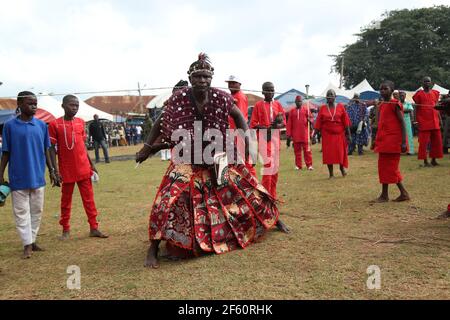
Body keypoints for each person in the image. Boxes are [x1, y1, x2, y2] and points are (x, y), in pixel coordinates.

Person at [136, 53, 289, 269]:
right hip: (187, 158)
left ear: (211, 78)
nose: (202, 80)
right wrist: (147, 147)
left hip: (218, 155)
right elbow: (161, 120)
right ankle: (152, 248)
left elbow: (239, 118)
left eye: (206, 76)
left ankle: (270, 219)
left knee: (248, 190)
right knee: (166, 199)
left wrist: (249, 143)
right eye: (197, 76)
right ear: (190, 79)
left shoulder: (221, 97)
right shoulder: (179, 98)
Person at [0, 91, 57, 259]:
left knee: (36, 210)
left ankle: (32, 240)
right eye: (30, 103)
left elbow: (47, 150)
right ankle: (26, 244)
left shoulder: (41, 126)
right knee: (21, 212)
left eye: (35, 103)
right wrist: (0, 173)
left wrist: (53, 171)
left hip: (38, 176)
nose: (34, 106)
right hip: (18, 178)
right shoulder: (10, 126)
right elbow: (6, 152)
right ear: (19, 105)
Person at [48, 95, 108, 240]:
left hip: (83, 167)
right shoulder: (54, 124)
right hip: (66, 169)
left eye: (76, 105)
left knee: (89, 199)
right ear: (63, 106)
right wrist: (54, 170)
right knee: (66, 201)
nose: (74, 108)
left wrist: (92, 165)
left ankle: (94, 227)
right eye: (71, 105)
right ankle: (65, 230)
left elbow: (82, 146)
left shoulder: (81, 123)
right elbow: (50, 149)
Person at [372, 81, 410, 202]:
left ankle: (390, 195)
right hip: (384, 141)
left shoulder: (395, 104)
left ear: (392, 90)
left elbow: (402, 123)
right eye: (381, 89)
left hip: (394, 141)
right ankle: (391, 194)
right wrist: (375, 140)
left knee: (391, 168)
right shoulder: (382, 105)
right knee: (384, 168)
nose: (382, 91)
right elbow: (379, 124)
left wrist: (404, 142)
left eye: (385, 89)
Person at [250, 82, 286, 198]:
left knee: (275, 167)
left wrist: (276, 125)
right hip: (264, 138)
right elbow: (253, 124)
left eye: (272, 90)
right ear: (263, 92)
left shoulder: (278, 105)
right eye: (268, 90)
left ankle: (273, 194)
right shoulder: (258, 105)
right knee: (268, 165)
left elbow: (283, 122)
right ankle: (266, 195)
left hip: (276, 138)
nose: (271, 92)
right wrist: (265, 127)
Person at [314, 89, 351, 179]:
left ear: (335, 96)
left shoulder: (341, 107)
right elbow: (318, 122)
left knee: (340, 153)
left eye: (332, 94)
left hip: (339, 134)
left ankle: (342, 169)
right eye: (328, 94)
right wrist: (314, 135)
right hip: (327, 135)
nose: (330, 96)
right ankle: (331, 174)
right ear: (326, 97)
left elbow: (346, 122)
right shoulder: (322, 108)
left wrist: (349, 134)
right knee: (328, 154)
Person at [226, 75, 256, 176]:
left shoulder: (239, 97)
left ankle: (253, 183)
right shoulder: (233, 97)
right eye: (229, 83)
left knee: (245, 161)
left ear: (239, 84)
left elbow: (241, 119)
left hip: (239, 134)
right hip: (234, 133)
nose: (231, 85)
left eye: (233, 83)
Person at [413, 77, 443, 167]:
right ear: (422, 83)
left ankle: (434, 160)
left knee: (437, 141)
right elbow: (416, 108)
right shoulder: (418, 94)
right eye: (425, 81)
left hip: (434, 120)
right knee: (424, 142)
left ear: (431, 83)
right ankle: (425, 161)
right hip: (423, 121)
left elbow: (437, 108)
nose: (427, 83)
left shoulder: (435, 93)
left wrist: (440, 119)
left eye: (428, 81)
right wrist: (416, 121)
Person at [286, 95, 313, 170]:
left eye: (300, 101)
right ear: (295, 102)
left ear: (302, 102)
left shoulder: (306, 110)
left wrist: (309, 120)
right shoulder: (292, 111)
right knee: (297, 151)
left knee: (307, 150)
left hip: (305, 134)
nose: (299, 103)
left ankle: (309, 165)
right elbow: (289, 124)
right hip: (296, 135)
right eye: (297, 101)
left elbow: (311, 119)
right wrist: (288, 134)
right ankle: (298, 165)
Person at [399, 91, 415, 155]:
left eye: (403, 95)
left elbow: (411, 110)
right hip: (399, 120)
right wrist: (405, 110)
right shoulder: (398, 103)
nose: (402, 96)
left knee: (409, 135)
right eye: (401, 95)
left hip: (407, 120)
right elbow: (408, 110)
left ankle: (410, 150)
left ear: (405, 96)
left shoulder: (408, 103)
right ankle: (400, 150)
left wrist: (412, 119)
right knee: (400, 135)